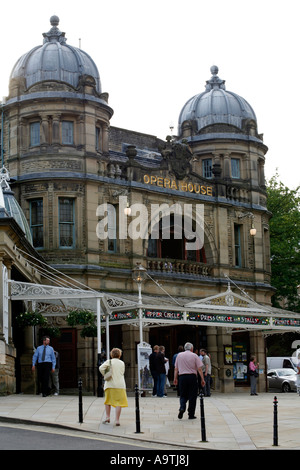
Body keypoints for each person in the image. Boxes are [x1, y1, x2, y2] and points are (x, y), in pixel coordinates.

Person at [173, 342, 205, 419]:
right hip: (192, 377)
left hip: (182, 377)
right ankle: (191, 414)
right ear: (191, 348)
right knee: (192, 396)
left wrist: (175, 378)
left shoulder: (179, 355)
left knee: (183, 394)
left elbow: (176, 369)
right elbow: (199, 369)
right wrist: (202, 379)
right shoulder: (194, 355)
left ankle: (182, 407)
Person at [99, 348, 128, 426]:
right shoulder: (122, 363)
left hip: (110, 384)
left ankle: (107, 417)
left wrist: (105, 373)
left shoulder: (109, 361)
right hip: (120, 385)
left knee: (108, 401)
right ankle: (117, 420)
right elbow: (122, 372)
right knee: (118, 403)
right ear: (119, 355)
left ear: (111, 354)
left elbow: (101, 368)